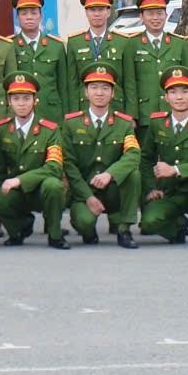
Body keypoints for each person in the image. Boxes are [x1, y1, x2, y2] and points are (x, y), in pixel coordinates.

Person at [136, 69, 188, 248]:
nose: (179, 97)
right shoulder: (157, 123)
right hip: (169, 192)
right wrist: (151, 187)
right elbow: (146, 158)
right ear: (166, 97)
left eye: (185, 91)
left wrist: (175, 170)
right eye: (173, 92)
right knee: (148, 223)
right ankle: (178, 227)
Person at [61, 64, 143, 247]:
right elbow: (69, 164)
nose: (99, 93)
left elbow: (133, 154)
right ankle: (89, 231)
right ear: (86, 92)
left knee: (133, 174)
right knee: (84, 222)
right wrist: (88, 197)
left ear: (113, 93)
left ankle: (125, 229)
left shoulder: (124, 124)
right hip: (85, 189)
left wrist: (110, 174)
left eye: (105, 88)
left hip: (114, 189)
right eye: (94, 87)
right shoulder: (71, 124)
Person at [0, 73, 66, 250]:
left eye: (26, 98)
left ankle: (55, 235)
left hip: (41, 189)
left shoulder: (50, 129)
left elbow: (54, 167)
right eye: (16, 98)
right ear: (9, 102)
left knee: (54, 186)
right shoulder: (0, 129)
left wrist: (20, 180)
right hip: (15, 192)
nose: (21, 103)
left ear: (35, 100)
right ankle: (19, 229)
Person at [9, 0, 69, 122]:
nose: (29, 17)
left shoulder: (56, 46)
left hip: (51, 113)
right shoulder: (10, 46)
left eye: (33, 12)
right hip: (21, 115)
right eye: (24, 13)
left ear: (41, 16)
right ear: (17, 18)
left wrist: (67, 117)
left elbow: (63, 86)